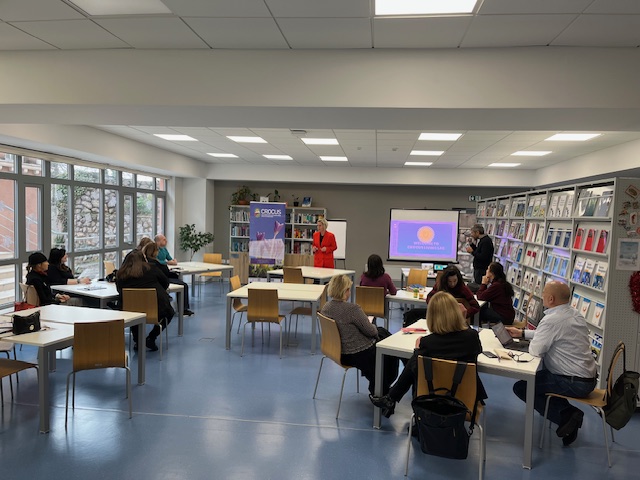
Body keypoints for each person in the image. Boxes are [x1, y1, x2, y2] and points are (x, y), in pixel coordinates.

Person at [506, 281, 596, 446]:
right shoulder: (574, 314)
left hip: (572, 382)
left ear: (551, 299)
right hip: (587, 379)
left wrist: (527, 341)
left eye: (544, 294)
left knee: (523, 388)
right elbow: (552, 333)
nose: (542, 297)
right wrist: (523, 333)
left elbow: (535, 351)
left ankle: (567, 416)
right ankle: (568, 417)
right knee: (539, 382)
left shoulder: (551, 320)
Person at [370, 291, 486, 417]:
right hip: (466, 401)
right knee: (416, 359)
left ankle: (391, 398)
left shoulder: (428, 343)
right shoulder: (472, 337)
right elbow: (477, 349)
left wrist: (417, 350)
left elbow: (415, 367)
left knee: (416, 360)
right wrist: (463, 320)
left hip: (430, 399)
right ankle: (391, 398)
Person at [321, 274, 398, 395]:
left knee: (382, 332)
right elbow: (371, 332)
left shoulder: (326, 307)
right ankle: (381, 389)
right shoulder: (352, 309)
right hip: (358, 353)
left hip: (338, 351)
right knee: (388, 349)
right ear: (345, 291)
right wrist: (371, 324)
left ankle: (378, 386)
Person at [116, 250, 175, 352]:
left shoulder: (121, 274)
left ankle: (138, 341)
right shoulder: (152, 268)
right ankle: (151, 337)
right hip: (156, 308)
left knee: (134, 313)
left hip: (130, 310)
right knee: (169, 313)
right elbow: (165, 283)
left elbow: (119, 290)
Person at [402, 265, 479, 326]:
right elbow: (429, 297)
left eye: (455, 281)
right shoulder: (440, 286)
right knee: (411, 314)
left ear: (458, 279)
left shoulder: (463, 289)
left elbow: (475, 307)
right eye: (449, 281)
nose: (452, 284)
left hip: (454, 318)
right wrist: (435, 307)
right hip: (439, 314)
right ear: (445, 280)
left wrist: (462, 315)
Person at [142, 241, 194, 316]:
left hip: (152, 282)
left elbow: (169, 259)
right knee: (184, 285)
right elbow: (164, 277)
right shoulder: (157, 264)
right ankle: (184, 309)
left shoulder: (142, 262)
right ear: (155, 252)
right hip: (160, 281)